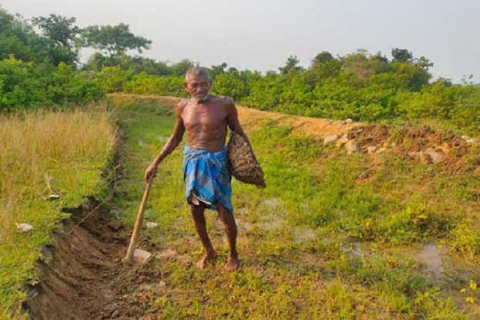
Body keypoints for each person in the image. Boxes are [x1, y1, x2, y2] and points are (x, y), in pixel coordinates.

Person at [144, 67, 253, 271]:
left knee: (224, 210)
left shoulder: (224, 104)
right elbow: (176, 137)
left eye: (204, 84)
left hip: (217, 163)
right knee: (196, 208)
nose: (200, 88)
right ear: (187, 87)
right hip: (193, 162)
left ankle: (233, 254)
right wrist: (155, 161)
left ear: (210, 84)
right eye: (195, 85)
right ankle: (209, 250)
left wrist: (250, 158)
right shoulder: (183, 107)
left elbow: (238, 131)